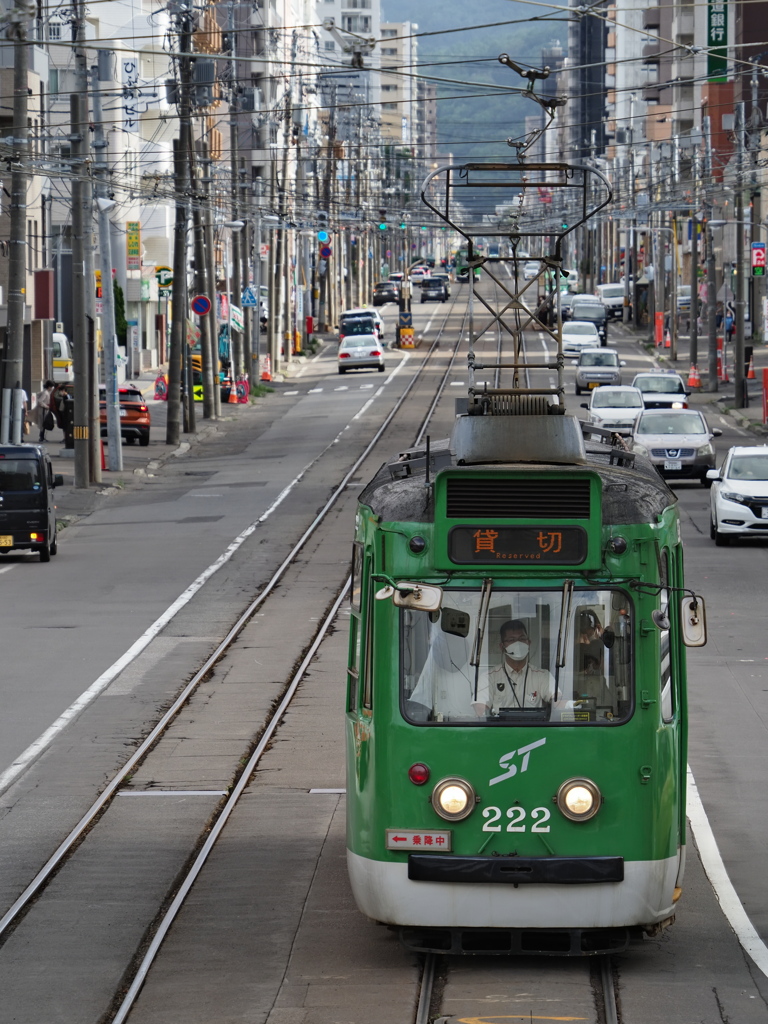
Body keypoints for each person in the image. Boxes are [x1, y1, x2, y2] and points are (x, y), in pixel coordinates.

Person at [473, 619, 556, 716]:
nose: (518, 644)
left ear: (529, 643)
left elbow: (558, 701)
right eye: (511, 640)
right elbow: (480, 710)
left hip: (533, 730)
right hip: (500, 730)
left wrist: (569, 704)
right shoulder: (488, 677)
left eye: (522, 639)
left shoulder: (543, 676)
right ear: (502, 646)